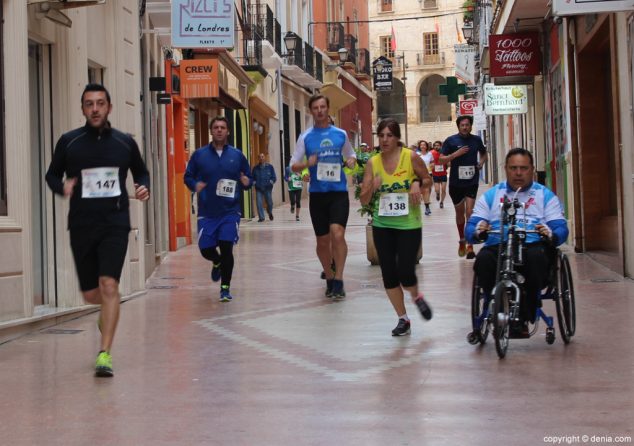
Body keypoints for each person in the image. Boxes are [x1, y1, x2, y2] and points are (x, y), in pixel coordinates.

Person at [45, 84, 150, 377]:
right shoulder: (69, 142)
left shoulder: (124, 143)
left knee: (109, 286)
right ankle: (105, 315)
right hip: (82, 224)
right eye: (89, 104)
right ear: (82, 109)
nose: (95, 109)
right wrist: (61, 186)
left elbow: (141, 171)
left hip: (115, 223)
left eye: (100, 103)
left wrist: (144, 187)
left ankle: (105, 353)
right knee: (92, 295)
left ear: (109, 108)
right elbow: (51, 174)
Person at [465, 147, 569, 336]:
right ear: (506, 169)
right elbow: (472, 225)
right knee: (483, 260)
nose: (518, 173)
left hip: (532, 246)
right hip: (498, 245)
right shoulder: (491, 195)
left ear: (532, 169)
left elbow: (561, 228)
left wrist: (551, 234)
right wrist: (478, 232)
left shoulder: (545, 196)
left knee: (536, 258)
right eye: (513, 168)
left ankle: (525, 315)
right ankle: (494, 306)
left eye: (523, 168)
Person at [359, 118, 433, 336]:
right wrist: (372, 187)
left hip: (409, 224)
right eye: (381, 135)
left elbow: (428, 179)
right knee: (389, 274)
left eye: (389, 135)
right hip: (383, 224)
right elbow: (363, 200)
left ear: (397, 137)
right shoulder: (373, 163)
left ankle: (416, 296)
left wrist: (417, 183)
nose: (384, 140)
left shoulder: (410, 157)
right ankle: (403, 319)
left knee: (406, 273)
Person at [290, 94, 356, 299]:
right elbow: (293, 165)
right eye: (316, 108)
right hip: (317, 196)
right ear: (311, 111)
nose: (319, 111)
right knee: (322, 241)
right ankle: (329, 276)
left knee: (338, 234)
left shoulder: (340, 134)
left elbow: (350, 154)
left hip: (338, 193)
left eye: (323, 107)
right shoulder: (305, 137)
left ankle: (339, 280)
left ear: (328, 109)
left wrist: (351, 160)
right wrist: (307, 164)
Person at [184, 116, 253, 302]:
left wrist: (247, 182)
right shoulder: (199, 155)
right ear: (211, 131)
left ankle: (225, 288)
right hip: (207, 212)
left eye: (223, 127)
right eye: (216, 127)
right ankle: (216, 261)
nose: (219, 130)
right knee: (206, 249)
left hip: (230, 211)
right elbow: (188, 176)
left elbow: (248, 177)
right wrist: (195, 184)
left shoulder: (237, 155)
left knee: (226, 247)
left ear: (228, 131)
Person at [439, 115, 488, 259]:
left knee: (470, 212)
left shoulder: (476, 140)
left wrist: (481, 163)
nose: (465, 127)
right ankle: (462, 239)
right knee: (460, 214)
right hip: (456, 183)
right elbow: (441, 159)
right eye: (462, 125)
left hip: (472, 181)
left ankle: (470, 245)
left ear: (471, 126)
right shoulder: (451, 141)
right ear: (458, 126)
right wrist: (455, 154)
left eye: (467, 125)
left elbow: (484, 154)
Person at [252, 152, 277, 222]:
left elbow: (274, 177)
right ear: (258, 159)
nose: (261, 158)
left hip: (268, 188)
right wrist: (254, 182)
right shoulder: (255, 168)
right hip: (259, 188)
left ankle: (269, 212)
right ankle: (261, 217)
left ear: (264, 158)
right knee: (259, 203)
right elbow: (252, 178)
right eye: (260, 157)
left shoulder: (270, 167)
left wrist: (271, 181)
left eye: (262, 157)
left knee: (270, 203)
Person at [429, 140, 448, 208]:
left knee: (443, 189)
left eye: (438, 145)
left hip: (443, 174)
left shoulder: (444, 153)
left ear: (440, 146)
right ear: (433, 146)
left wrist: (447, 164)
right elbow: (429, 162)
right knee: (437, 189)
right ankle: (437, 194)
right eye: (435, 145)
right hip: (435, 174)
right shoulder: (431, 153)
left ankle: (442, 202)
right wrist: (431, 165)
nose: (436, 147)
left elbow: (448, 161)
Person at [418, 140, 434, 216]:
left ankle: (427, 208)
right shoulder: (417, 155)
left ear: (426, 146)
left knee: (426, 190)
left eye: (424, 145)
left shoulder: (430, 154)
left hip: (428, 174)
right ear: (419, 146)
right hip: (419, 175)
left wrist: (432, 166)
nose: (423, 146)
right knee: (422, 191)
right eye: (421, 145)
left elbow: (432, 163)